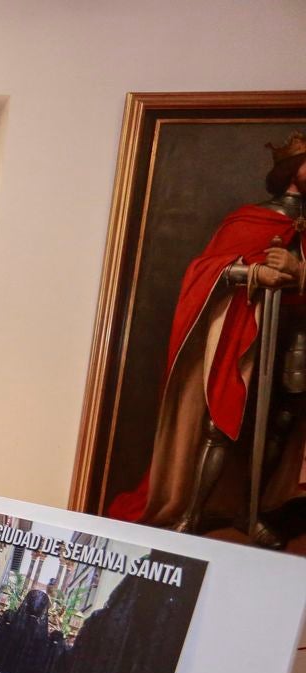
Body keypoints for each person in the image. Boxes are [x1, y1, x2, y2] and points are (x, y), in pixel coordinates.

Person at [110, 132, 306, 545]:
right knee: (221, 422)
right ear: (292, 170)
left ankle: (250, 510)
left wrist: (297, 270)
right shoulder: (250, 219)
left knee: (282, 424)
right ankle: (191, 514)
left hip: (296, 339)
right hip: (246, 333)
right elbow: (206, 270)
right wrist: (255, 272)